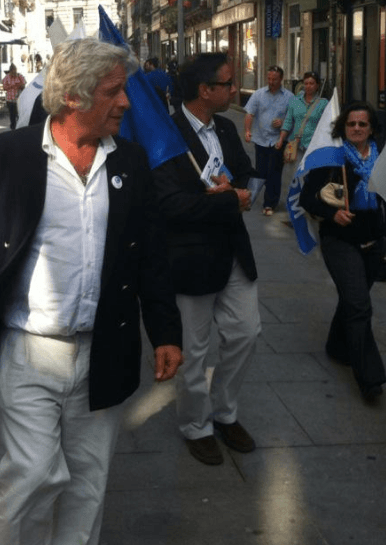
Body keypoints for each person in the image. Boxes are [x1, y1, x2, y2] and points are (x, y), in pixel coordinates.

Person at [0, 38, 183, 545]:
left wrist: (165, 332)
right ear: (73, 96)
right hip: (29, 350)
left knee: (88, 481)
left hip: (104, 347)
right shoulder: (7, 156)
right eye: (113, 91)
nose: (126, 102)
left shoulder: (131, 162)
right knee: (31, 474)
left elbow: (150, 256)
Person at [151, 53, 261, 466]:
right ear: (204, 90)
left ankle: (225, 412)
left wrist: (238, 188)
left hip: (233, 252)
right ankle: (196, 425)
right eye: (228, 83)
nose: (234, 90)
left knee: (246, 332)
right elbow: (169, 205)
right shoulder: (166, 135)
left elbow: (245, 173)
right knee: (193, 352)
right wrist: (223, 202)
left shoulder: (227, 128)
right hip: (190, 260)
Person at [299, 101, 386, 401]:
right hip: (339, 241)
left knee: (353, 299)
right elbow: (307, 198)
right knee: (360, 304)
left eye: (363, 124)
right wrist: (331, 212)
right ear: (343, 127)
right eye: (351, 124)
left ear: (371, 128)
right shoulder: (331, 158)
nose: (357, 129)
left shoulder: (383, 158)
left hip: (374, 242)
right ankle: (370, 379)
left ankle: (337, 346)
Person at [243, 65, 293, 216]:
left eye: (274, 79)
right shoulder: (258, 94)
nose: (271, 82)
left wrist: (283, 122)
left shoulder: (289, 97)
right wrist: (247, 130)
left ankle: (269, 203)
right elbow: (250, 113)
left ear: (281, 79)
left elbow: (293, 118)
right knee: (260, 171)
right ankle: (251, 197)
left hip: (278, 140)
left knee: (274, 172)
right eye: (269, 79)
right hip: (261, 139)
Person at [276, 70, 327, 177]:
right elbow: (288, 121)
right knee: (294, 177)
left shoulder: (323, 103)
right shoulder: (294, 101)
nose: (308, 86)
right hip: (295, 146)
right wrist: (281, 139)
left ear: (317, 85)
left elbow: (326, 125)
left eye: (311, 83)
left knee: (310, 177)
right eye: (306, 83)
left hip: (313, 147)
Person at [2, 63, 25, 130]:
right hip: (10, 99)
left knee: (18, 114)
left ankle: (19, 127)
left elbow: (23, 86)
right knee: (12, 115)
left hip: (18, 99)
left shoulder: (20, 76)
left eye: (15, 71)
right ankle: (13, 128)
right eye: (13, 71)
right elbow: (4, 87)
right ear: (10, 71)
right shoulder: (7, 78)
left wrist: (19, 85)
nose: (14, 73)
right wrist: (12, 86)